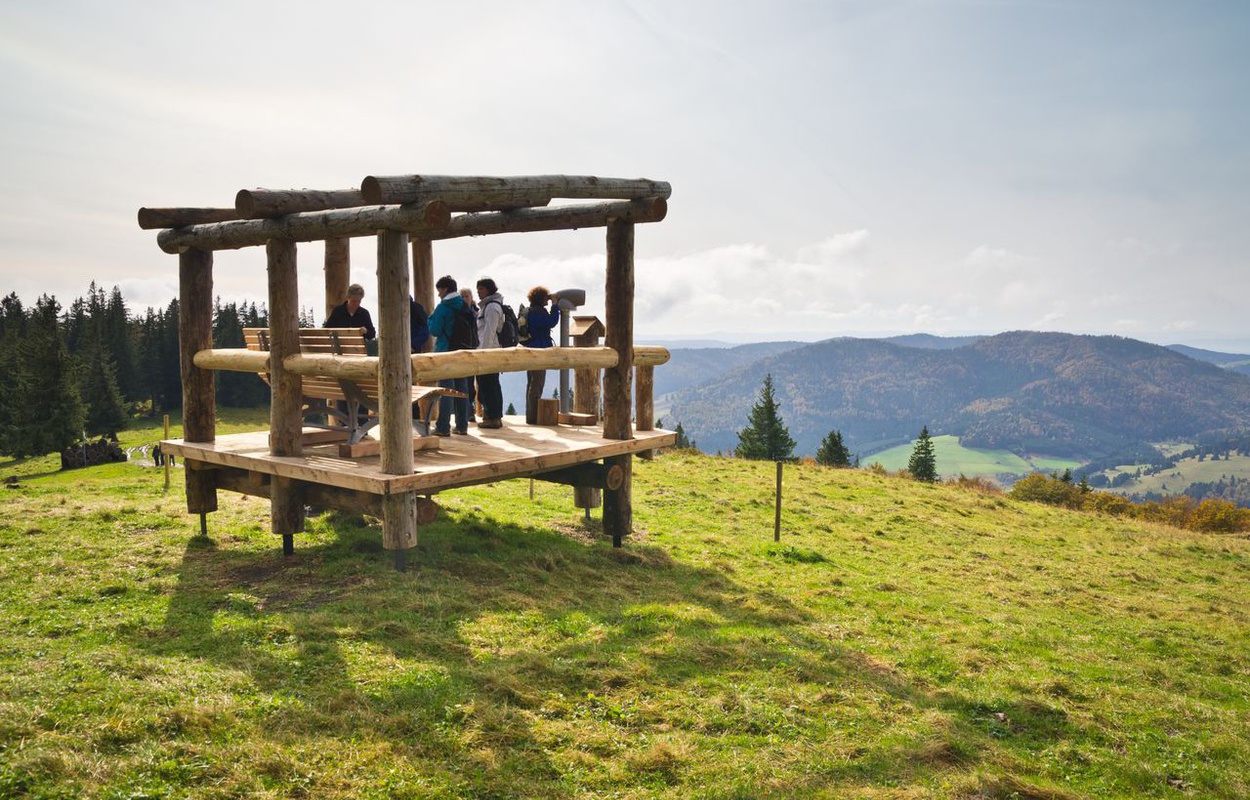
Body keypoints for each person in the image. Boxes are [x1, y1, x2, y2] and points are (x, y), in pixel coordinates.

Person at [428, 276, 471, 435]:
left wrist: (430, 319)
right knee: (462, 388)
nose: (438, 294)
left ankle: (443, 427)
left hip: (445, 352)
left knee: (445, 390)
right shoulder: (464, 305)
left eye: (439, 290)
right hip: (462, 351)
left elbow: (435, 331)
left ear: (444, 289)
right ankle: (462, 425)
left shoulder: (443, 308)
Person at [524, 285, 561, 424]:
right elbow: (551, 322)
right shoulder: (538, 313)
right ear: (541, 299)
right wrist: (555, 305)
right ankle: (533, 417)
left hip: (531, 350)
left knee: (531, 383)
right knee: (537, 384)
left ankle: (530, 415)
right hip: (539, 352)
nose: (548, 298)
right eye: (546, 296)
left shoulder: (531, 311)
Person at [475, 278, 506, 428]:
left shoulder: (492, 307)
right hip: (486, 351)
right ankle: (490, 416)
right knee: (487, 385)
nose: (479, 292)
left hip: (489, 352)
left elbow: (489, 332)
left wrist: (484, 353)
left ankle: (494, 417)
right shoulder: (487, 306)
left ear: (488, 290)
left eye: (481, 289)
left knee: (490, 385)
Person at [459, 288, 480, 422]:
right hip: (463, 351)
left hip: (475, 351)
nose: (464, 299)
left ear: (471, 298)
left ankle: (470, 409)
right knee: (464, 383)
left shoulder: (477, 313)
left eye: (466, 296)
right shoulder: (459, 313)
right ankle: (468, 411)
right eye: (462, 296)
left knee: (471, 383)